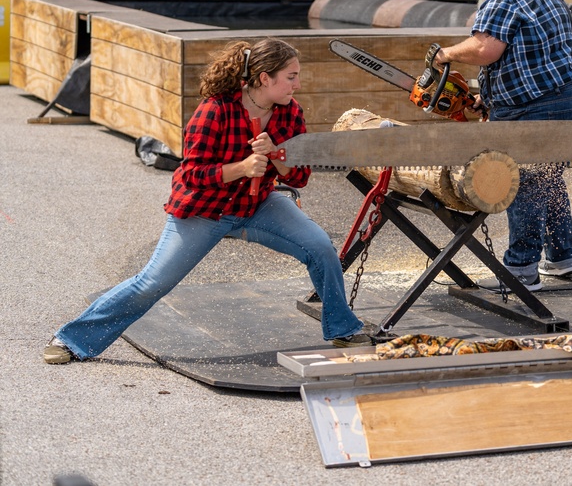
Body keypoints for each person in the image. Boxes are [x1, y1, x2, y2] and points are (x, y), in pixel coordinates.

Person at [43, 38, 371, 365]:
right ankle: (73, 339)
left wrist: (276, 155)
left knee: (320, 246)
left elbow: (297, 178)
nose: (297, 84)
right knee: (153, 282)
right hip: (204, 210)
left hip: (256, 206)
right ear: (264, 78)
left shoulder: (290, 113)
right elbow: (191, 175)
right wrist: (242, 168)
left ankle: (342, 327)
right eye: (291, 76)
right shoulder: (216, 110)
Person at [436, 0, 572, 291]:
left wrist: (446, 55)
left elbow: (485, 48)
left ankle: (520, 270)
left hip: (547, 101)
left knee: (524, 178)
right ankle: (561, 255)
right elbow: (524, 56)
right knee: (547, 174)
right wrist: (489, 100)